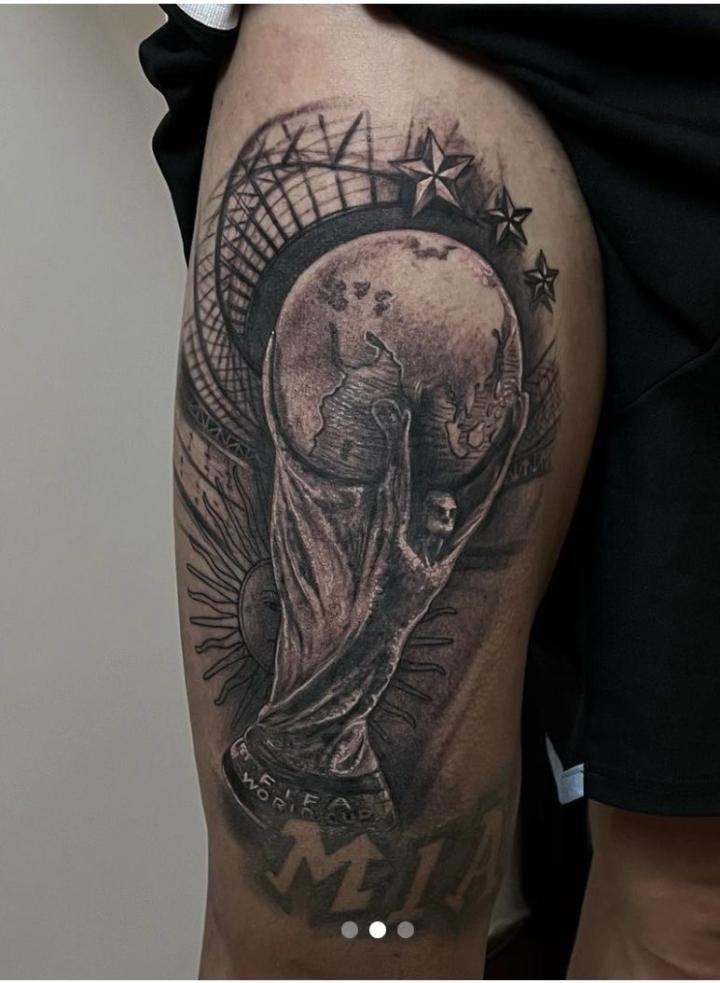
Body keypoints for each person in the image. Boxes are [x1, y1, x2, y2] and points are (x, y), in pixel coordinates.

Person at [140, 5, 720, 978]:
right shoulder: (335, 445)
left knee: (693, 911)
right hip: (400, 29)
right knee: (343, 933)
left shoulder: (400, 494)